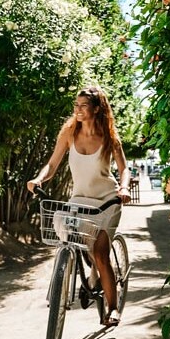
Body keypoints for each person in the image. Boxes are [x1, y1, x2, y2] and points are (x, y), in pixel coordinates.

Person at [27, 86, 131, 326]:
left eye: (84, 105)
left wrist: (123, 188)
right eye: (76, 105)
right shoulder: (69, 133)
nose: (78, 110)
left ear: (96, 109)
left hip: (107, 201)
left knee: (101, 255)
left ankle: (113, 308)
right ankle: (78, 281)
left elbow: (124, 169)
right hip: (79, 202)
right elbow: (52, 165)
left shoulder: (109, 137)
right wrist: (39, 179)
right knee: (72, 240)